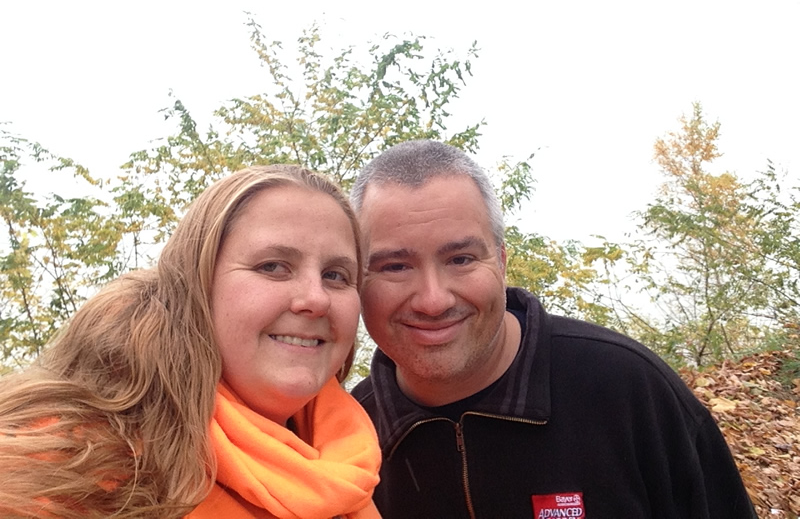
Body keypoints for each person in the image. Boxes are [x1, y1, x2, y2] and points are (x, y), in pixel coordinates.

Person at [349, 140, 756, 519]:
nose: (433, 300)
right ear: (356, 281)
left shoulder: (628, 389)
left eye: (461, 259)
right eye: (395, 267)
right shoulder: (345, 437)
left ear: (501, 262)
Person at [0, 165, 381, 519]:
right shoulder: (62, 468)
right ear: (197, 285)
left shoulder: (351, 464)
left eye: (336, 275)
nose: (316, 298)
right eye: (272, 267)